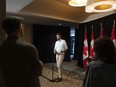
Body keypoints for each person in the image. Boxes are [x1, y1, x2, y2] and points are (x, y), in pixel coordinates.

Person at [0, 16, 43, 87]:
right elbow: (39, 72)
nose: (23, 28)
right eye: (22, 26)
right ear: (19, 28)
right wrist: (40, 63)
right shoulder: (28, 47)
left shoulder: (2, 47)